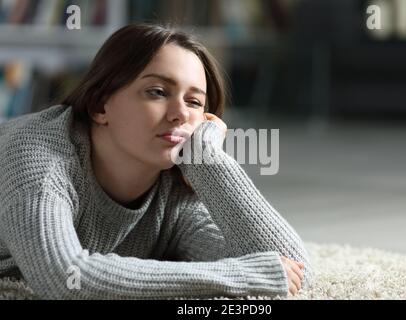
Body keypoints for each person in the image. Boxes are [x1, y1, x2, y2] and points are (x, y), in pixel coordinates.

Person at [0, 24, 312, 299]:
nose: (180, 114)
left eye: (194, 102)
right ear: (99, 106)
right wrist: (237, 275)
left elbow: (290, 269)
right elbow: (64, 278)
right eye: (158, 92)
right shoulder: (38, 162)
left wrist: (209, 159)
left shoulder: (172, 192)